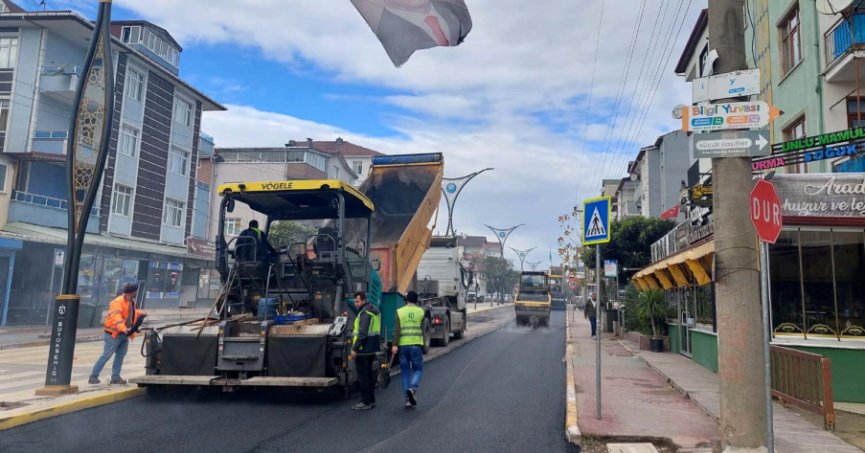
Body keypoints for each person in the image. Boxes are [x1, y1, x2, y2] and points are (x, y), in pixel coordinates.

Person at [88, 283, 146, 385]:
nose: (137, 293)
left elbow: (131, 315)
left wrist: (140, 316)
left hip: (124, 334)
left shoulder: (131, 302)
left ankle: (115, 377)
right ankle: (93, 376)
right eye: (136, 291)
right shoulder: (118, 302)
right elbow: (116, 317)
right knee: (106, 355)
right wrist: (124, 329)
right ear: (132, 292)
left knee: (120, 356)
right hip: (113, 334)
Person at [391, 290, 424, 407]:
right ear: (416, 300)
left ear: (406, 299)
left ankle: (407, 399)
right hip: (416, 345)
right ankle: (413, 388)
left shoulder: (400, 312)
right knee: (418, 369)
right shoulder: (421, 311)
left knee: (405, 372)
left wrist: (394, 345)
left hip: (403, 346)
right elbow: (422, 329)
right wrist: (423, 345)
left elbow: (397, 330)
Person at [349, 292, 381, 410]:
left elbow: (362, 333)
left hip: (363, 349)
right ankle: (371, 400)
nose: (355, 304)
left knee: (363, 376)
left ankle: (365, 402)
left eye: (357, 301)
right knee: (368, 375)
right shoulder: (372, 311)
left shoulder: (365, 313)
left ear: (363, 300)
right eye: (354, 301)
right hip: (371, 348)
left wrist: (354, 348)